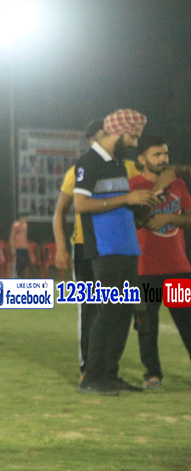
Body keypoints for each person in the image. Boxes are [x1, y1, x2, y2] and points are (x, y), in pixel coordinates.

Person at [73, 108, 160, 396]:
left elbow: (118, 203)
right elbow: (81, 205)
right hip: (105, 247)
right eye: (133, 137)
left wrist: (140, 208)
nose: (135, 143)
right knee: (109, 310)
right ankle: (91, 379)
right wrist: (127, 198)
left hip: (126, 245)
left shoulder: (119, 163)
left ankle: (110, 374)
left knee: (124, 311)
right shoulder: (88, 161)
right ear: (118, 133)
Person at [128, 134, 191, 388]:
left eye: (165, 153)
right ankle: (153, 374)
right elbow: (135, 220)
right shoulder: (132, 186)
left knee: (187, 324)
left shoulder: (178, 185)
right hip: (144, 269)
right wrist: (158, 188)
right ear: (142, 159)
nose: (163, 159)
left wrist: (170, 219)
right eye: (157, 154)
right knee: (147, 327)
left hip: (177, 268)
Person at [53, 120, 104, 379]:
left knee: (115, 308)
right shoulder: (78, 171)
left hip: (114, 247)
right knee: (90, 307)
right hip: (84, 247)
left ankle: (107, 366)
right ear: (93, 140)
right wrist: (62, 247)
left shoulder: (121, 169)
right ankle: (89, 368)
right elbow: (60, 212)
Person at [10, 213, 30, 277]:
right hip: (18, 247)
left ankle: (19, 273)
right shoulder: (16, 226)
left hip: (25, 247)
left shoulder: (25, 226)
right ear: (21, 218)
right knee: (18, 262)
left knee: (28, 262)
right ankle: (16, 275)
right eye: (24, 218)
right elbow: (12, 237)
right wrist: (12, 247)